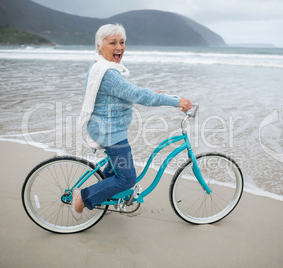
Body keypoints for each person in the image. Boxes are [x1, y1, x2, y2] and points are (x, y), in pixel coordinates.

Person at [71, 24, 193, 220]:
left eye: (122, 42)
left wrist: (153, 94)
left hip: (105, 126)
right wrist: (176, 101)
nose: (119, 47)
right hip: (109, 132)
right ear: (99, 46)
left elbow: (125, 92)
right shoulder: (108, 74)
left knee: (114, 170)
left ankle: (104, 195)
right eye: (113, 43)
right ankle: (83, 199)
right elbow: (137, 94)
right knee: (127, 179)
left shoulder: (101, 67)